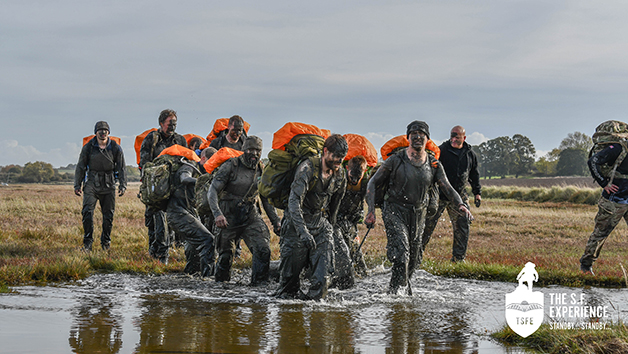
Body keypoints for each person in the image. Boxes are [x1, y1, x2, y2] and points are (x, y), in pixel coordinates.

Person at [365, 121, 473, 295]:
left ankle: (400, 291)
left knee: (414, 259)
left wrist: (460, 204)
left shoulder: (434, 164)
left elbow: (446, 186)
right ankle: (395, 297)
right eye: (413, 133)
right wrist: (371, 211)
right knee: (402, 254)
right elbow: (373, 182)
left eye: (421, 134)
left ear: (427, 139)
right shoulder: (395, 160)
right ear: (408, 138)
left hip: (419, 214)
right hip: (395, 211)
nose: (417, 136)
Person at [276, 134, 348, 300]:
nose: (339, 161)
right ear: (325, 151)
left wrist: (331, 226)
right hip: (296, 225)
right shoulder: (307, 169)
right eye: (335, 156)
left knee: (323, 279)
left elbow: (336, 202)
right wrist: (303, 232)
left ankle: (317, 315)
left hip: (320, 224)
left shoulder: (340, 174)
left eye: (342, 157)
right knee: (288, 288)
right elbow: (294, 202)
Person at [208, 136, 281, 285]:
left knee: (263, 249)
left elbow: (265, 197)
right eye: (250, 150)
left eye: (257, 151)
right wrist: (217, 214)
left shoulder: (261, 168)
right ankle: (220, 291)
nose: (254, 153)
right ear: (244, 149)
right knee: (226, 256)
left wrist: (276, 221)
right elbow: (212, 191)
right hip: (227, 217)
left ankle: (259, 287)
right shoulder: (230, 166)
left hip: (250, 216)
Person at [421, 125, 481, 262]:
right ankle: (416, 254)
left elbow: (474, 175)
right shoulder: (442, 150)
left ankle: (458, 259)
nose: (453, 139)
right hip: (439, 194)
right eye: (452, 136)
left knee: (463, 223)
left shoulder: (470, 154)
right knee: (427, 224)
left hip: (459, 195)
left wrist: (477, 193)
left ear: (464, 138)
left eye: (457, 137)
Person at [139, 109, 188, 263]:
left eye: (174, 123)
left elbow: (186, 161)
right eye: (169, 123)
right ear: (161, 123)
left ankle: (164, 252)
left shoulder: (180, 140)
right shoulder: (151, 139)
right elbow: (144, 163)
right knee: (154, 220)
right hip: (156, 187)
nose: (172, 126)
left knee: (169, 220)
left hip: (174, 187)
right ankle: (156, 252)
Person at [74, 121, 126, 251]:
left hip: (109, 183)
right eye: (100, 131)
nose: (103, 133)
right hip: (91, 182)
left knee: (108, 215)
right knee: (87, 212)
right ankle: (87, 243)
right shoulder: (88, 147)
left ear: (108, 132)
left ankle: (106, 243)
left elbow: (121, 167)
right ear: (95, 132)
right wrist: (77, 184)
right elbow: (81, 166)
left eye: (105, 131)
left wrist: (122, 184)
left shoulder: (115, 147)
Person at [579, 140, 628, 275]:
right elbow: (593, 162)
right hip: (613, 201)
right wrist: (604, 183)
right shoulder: (617, 149)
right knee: (601, 234)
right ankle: (586, 266)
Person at [165, 153, 215, 275]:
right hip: (177, 214)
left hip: (186, 213)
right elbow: (184, 178)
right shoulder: (190, 166)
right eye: (212, 161)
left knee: (194, 246)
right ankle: (208, 277)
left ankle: (191, 274)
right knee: (208, 240)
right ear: (203, 159)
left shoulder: (200, 170)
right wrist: (203, 182)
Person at [332, 155, 369, 289]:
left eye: (357, 178)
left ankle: (362, 283)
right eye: (351, 176)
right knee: (342, 252)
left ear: (364, 172)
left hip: (351, 220)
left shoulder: (365, 183)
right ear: (347, 168)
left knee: (356, 253)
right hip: (335, 220)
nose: (354, 180)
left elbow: (362, 205)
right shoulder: (338, 178)